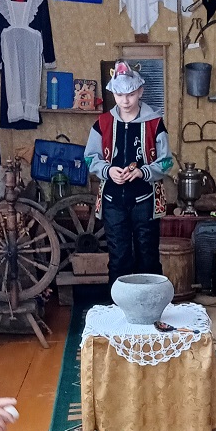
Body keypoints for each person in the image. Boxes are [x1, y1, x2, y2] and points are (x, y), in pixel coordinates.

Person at [84, 62, 172, 285]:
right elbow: (89, 158)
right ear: (113, 93)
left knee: (148, 258)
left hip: (145, 201)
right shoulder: (102, 123)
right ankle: (119, 304)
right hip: (113, 201)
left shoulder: (155, 123)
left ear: (140, 91)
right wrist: (107, 170)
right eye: (120, 95)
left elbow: (167, 162)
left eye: (131, 94)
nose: (125, 100)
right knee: (118, 259)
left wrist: (143, 172)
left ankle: (151, 303)